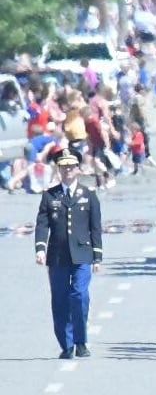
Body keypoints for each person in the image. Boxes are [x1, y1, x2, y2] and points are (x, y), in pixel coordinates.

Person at [34, 148, 103, 359]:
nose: (67, 171)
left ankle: (81, 341)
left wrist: (98, 256)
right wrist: (40, 249)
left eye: (71, 167)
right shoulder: (50, 195)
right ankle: (66, 344)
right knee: (60, 299)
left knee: (79, 295)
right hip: (58, 255)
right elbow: (42, 225)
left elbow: (95, 228)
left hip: (83, 254)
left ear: (78, 169)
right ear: (59, 170)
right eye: (63, 167)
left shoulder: (88, 195)